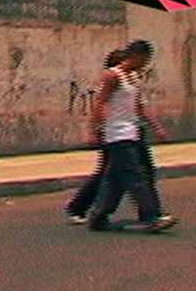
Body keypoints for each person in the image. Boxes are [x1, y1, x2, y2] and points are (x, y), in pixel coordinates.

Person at [87, 39, 177, 233]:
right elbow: (99, 103)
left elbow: (139, 107)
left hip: (132, 132)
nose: (145, 64)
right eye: (145, 59)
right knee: (137, 176)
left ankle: (98, 216)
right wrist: (94, 130)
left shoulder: (134, 78)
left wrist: (157, 128)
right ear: (136, 56)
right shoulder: (112, 76)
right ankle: (151, 217)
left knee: (116, 179)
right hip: (117, 134)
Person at [64, 48, 126, 224]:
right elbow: (100, 106)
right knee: (108, 172)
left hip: (123, 132)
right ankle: (81, 207)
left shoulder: (127, 82)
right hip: (112, 132)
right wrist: (95, 130)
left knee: (115, 173)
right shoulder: (111, 81)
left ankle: (88, 208)